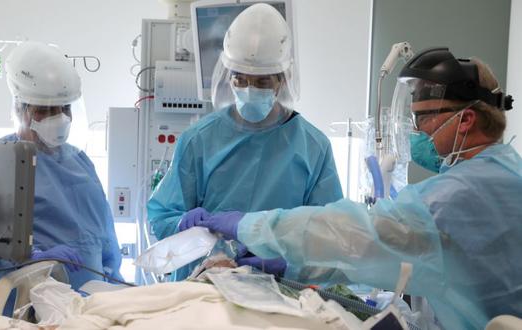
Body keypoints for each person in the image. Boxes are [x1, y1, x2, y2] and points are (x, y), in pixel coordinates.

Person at [190, 47, 521, 329]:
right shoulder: (504, 172)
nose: (416, 131)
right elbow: (378, 251)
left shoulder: (456, 196)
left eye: (424, 118)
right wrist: (290, 266)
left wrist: (249, 225)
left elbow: (351, 232)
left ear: (465, 120)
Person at [147, 3, 343, 281]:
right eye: (241, 79)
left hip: (281, 293)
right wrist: (181, 222)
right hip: (206, 289)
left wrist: (287, 261)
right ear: (229, 77)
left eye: (262, 82)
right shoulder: (199, 140)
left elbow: (330, 235)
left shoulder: (313, 147)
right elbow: (162, 216)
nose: (250, 90)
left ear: (282, 81)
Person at [0, 41, 123, 315]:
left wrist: (113, 289)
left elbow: (104, 241)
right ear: (20, 110)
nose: (58, 118)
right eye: (44, 110)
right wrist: (31, 259)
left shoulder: (80, 162)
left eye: (63, 108)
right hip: (23, 311)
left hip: (88, 308)